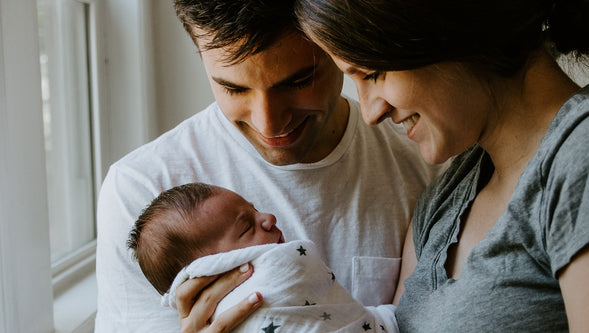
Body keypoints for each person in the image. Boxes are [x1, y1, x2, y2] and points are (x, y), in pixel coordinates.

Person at [94, 0, 442, 331]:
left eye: (298, 81)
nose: (269, 124)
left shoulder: (429, 162)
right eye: (233, 88)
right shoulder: (141, 190)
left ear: (338, 47)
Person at [294, 0, 589, 331]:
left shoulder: (586, 151)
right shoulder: (444, 199)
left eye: (372, 74)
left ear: (444, 31)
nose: (371, 113)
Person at [127, 182, 397, 332]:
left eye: (254, 209)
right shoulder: (133, 181)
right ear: (210, 271)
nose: (269, 218)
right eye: (246, 227)